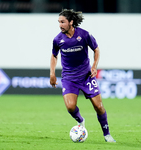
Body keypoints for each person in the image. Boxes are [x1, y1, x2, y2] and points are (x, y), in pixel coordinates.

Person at [50, 9, 116, 143]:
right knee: (70, 107)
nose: (60, 25)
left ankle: (107, 134)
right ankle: (80, 120)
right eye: (59, 22)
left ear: (71, 22)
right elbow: (54, 55)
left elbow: (96, 49)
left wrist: (94, 66)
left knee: (98, 107)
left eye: (63, 22)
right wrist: (52, 73)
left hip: (86, 77)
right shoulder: (58, 39)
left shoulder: (84, 35)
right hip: (69, 78)